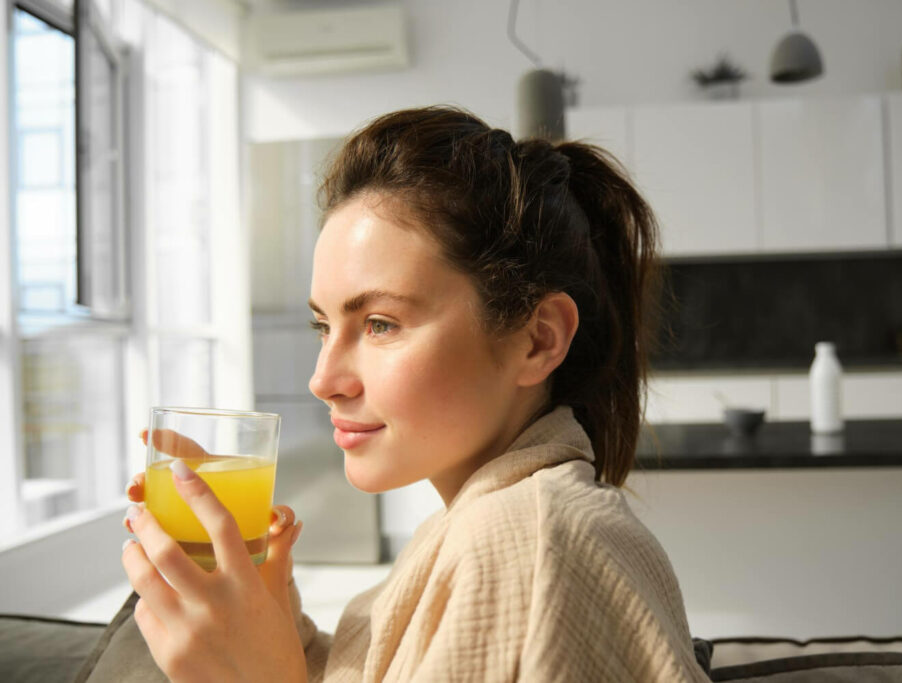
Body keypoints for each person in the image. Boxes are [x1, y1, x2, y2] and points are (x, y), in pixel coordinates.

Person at [121, 106, 710, 682]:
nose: (323, 380)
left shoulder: (524, 546)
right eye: (323, 327)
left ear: (537, 340)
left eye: (380, 323)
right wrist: (276, 626)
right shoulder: (475, 523)